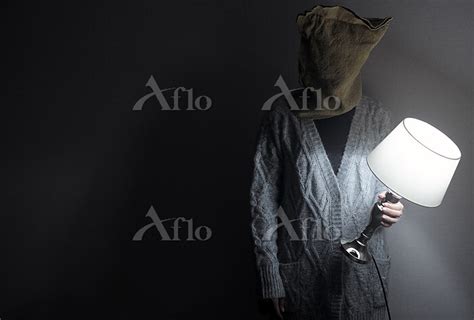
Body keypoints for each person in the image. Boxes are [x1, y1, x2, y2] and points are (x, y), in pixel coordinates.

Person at [250, 5, 404, 320]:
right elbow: (261, 201)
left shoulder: (377, 118)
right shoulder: (284, 116)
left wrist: (393, 209)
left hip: (362, 278)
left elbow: (389, 191)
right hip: (301, 275)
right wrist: (270, 276)